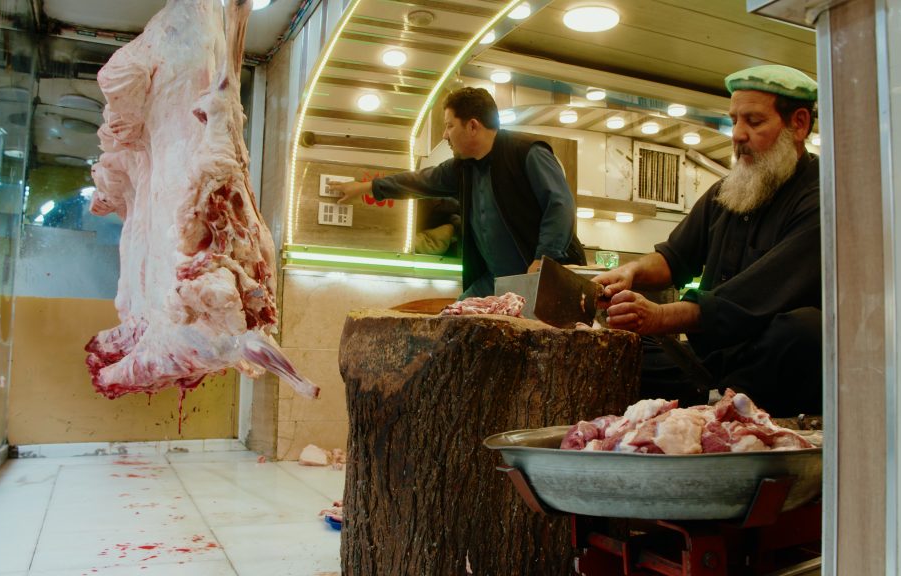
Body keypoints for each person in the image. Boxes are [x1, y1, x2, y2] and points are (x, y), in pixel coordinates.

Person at [594, 65, 822, 416]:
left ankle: (721, 407)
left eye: (754, 122)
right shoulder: (725, 192)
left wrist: (658, 315)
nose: (738, 135)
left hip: (767, 362)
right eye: (734, 121)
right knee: (624, 346)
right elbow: (673, 258)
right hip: (708, 364)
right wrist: (631, 272)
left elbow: (753, 299)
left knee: (806, 330)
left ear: (799, 124)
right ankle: (709, 403)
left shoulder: (820, 197)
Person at [327, 87, 586, 298]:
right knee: (451, 321)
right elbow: (419, 181)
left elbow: (560, 203)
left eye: (449, 126)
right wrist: (367, 187)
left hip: (546, 279)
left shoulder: (527, 152)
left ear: (472, 126)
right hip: (497, 282)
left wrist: (544, 259)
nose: (445, 135)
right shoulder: (463, 169)